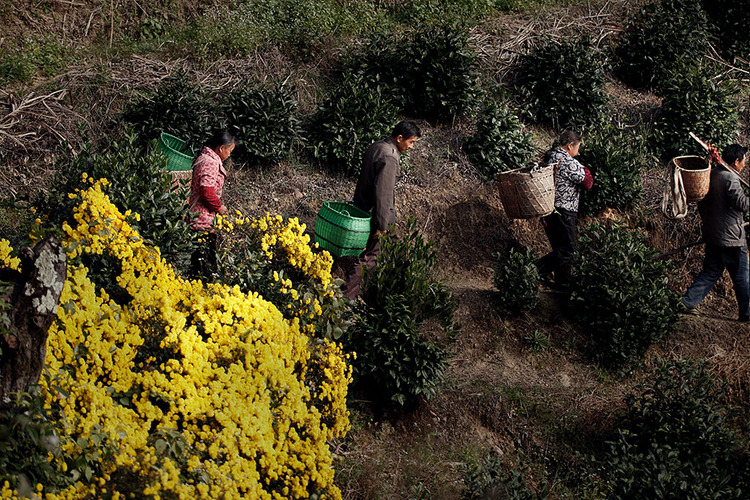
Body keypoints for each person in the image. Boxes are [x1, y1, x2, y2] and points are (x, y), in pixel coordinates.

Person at [341, 121, 422, 300]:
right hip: (376, 215)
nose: (411, 147)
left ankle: (390, 296)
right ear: (399, 138)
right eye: (411, 142)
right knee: (371, 258)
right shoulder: (390, 156)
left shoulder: (377, 146)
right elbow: (383, 193)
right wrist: (382, 225)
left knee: (396, 253)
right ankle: (345, 299)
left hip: (363, 209)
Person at [680, 144, 750, 322]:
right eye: (744, 160)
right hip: (732, 239)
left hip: (713, 236)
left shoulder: (711, 174)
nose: (745, 164)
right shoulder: (730, 179)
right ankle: (746, 314)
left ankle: (687, 302)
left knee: (711, 271)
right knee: (741, 278)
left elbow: (702, 204)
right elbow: (742, 204)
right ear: (736, 161)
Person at [535, 129, 593, 289]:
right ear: (569, 146)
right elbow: (588, 182)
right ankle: (535, 270)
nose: (578, 152)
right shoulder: (568, 161)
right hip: (564, 211)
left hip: (548, 210)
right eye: (578, 147)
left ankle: (562, 284)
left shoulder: (549, 156)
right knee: (568, 251)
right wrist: (584, 168)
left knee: (559, 249)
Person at [188, 130, 236, 278]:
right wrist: (219, 207)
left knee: (201, 264)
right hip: (201, 221)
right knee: (205, 268)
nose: (229, 155)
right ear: (221, 148)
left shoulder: (207, 158)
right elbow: (206, 192)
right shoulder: (210, 162)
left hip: (201, 219)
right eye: (229, 151)